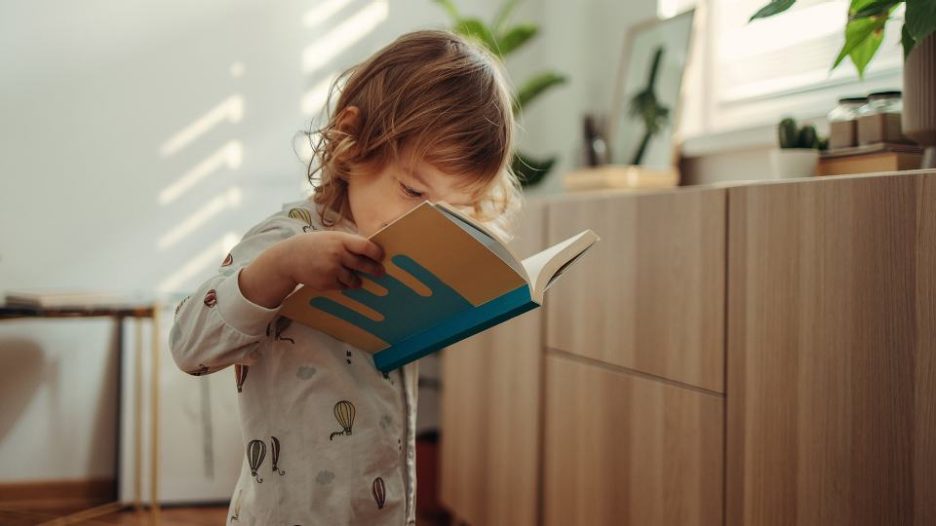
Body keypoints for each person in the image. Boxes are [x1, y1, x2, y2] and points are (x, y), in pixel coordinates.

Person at [169, 29, 521, 525]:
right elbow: (188, 344)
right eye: (414, 192)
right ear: (352, 142)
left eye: (452, 211)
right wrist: (283, 266)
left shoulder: (401, 252)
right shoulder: (289, 235)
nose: (425, 222)